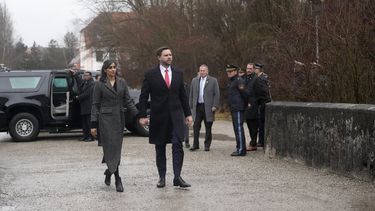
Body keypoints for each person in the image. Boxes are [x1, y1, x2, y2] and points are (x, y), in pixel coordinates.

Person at [138, 46, 193, 188]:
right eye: (166, 55)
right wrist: (143, 115)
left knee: (177, 145)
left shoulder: (178, 73)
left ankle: (177, 177)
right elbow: (143, 96)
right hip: (159, 117)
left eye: (170, 55)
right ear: (159, 57)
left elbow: (183, 95)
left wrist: (188, 114)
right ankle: (162, 177)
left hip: (176, 116)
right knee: (160, 147)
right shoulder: (150, 74)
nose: (169, 57)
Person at [90, 59, 138, 192]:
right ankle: (118, 178)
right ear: (105, 70)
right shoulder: (99, 85)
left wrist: (138, 116)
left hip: (119, 119)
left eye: (114, 67)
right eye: (110, 67)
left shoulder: (122, 82)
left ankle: (108, 171)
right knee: (111, 148)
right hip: (105, 120)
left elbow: (128, 101)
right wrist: (93, 124)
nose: (113, 69)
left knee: (116, 149)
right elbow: (95, 104)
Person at [189, 64, 220, 151]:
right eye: (201, 70)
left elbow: (216, 94)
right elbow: (191, 94)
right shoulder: (194, 80)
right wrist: (190, 106)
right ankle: (195, 145)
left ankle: (207, 145)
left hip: (208, 108)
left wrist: (215, 105)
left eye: (204, 70)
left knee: (208, 127)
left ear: (207, 71)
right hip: (198, 107)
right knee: (196, 127)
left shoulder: (213, 81)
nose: (202, 72)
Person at [226, 64, 247, 156]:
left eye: (230, 71)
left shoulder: (239, 80)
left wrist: (243, 105)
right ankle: (239, 146)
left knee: (239, 128)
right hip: (234, 107)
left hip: (238, 107)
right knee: (236, 128)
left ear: (235, 71)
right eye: (228, 72)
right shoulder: (232, 81)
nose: (229, 73)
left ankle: (242, 149)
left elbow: (245, 94)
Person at [71, 70, 95, 142]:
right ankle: (85, 136)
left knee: (89, 123)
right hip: (83, 106)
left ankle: (91, 137)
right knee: (84, 123)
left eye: (87, 75)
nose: (85, 76)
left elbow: (87, 94)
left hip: (89, 106)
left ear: (90, 76)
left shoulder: (92, 84)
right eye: (84, 75)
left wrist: (78, 97)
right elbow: (79, 81)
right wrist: (75, 74)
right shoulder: (84, 82)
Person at [253, 63, 271, 148]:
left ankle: (261, 141)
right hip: (264, 102)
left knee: (261, 123)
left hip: (262, 103)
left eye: (255, 68)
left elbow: (264, 92)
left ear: (259, 69)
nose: (254, 70)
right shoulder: (264, 77)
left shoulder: (260, 79)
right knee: (261, 123)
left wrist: (258, 100)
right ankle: (261, 140)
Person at [244, 63, 259, 151]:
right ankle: (253, 142)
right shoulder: (245, 78)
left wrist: (254, 103)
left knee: (254, 125)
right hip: (247, 105)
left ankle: (253, 143)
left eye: (250, 68)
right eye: (247, 68)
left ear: (253, 69)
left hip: (254, 105)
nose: (248, 70)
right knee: (249, 123)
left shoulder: (256, 79)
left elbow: (259, 93)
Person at [183, 82, 191, 148]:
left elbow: (188, 97)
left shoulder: (185, 86)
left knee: (185, 125)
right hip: (176, 108)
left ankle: (186, 140)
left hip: (183, 108)